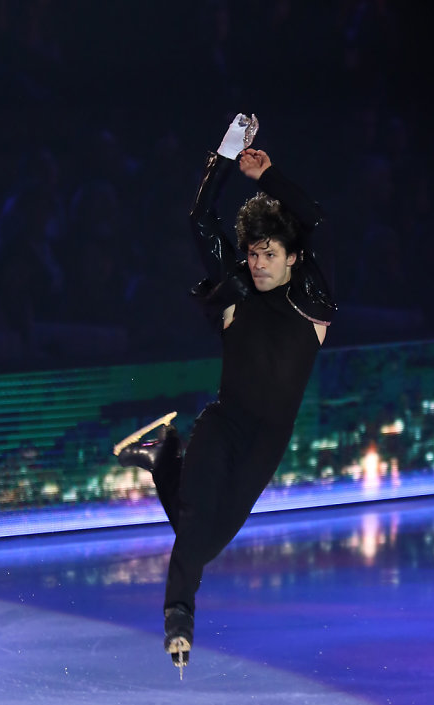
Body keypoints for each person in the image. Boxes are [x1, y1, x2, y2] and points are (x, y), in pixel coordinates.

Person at [114, 114, 335, 676]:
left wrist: (268, 175)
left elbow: (310, 217)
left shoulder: (311, 301)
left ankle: (165, 457)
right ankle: (178, 620)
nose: (258, 264)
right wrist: (225, 151)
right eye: (252, 253)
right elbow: (199, 218)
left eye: (268, 254)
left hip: (266, 442)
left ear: (291, 256)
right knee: (195, 531)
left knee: (204, 537)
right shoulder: (235, 286)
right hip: (223, 422)